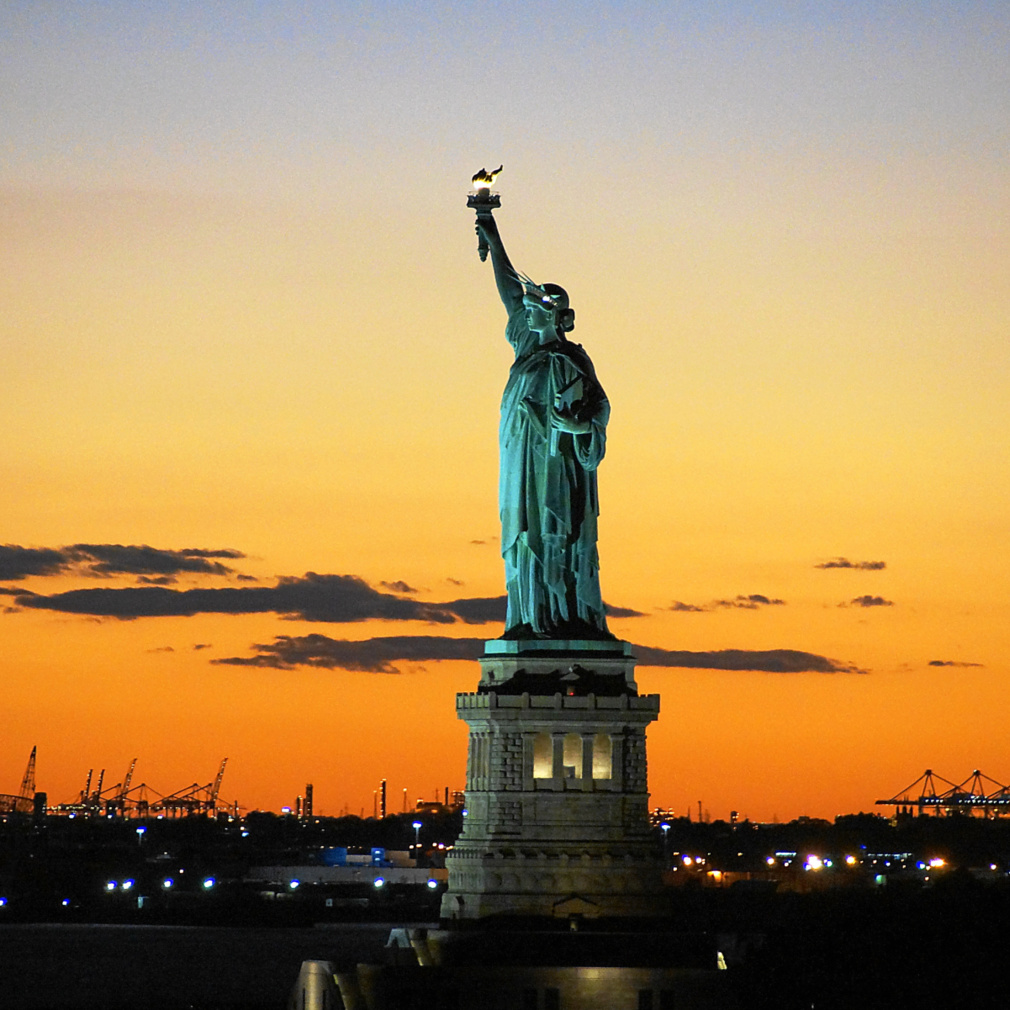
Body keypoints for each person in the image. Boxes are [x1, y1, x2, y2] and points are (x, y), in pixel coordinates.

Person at [475, 212, 613, 640]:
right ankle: (528, 615)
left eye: (535, 311)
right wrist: (491, 232)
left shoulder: (571, 361)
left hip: (556, 468)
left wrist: (576, 428)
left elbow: (600, 409)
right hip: (520, 462)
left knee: (555, 535)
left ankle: (560, 614)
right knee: (523, 536)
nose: (526, 315)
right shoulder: (526, 347)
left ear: (553, 317)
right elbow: (509, 293)